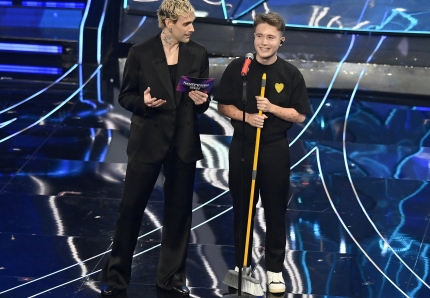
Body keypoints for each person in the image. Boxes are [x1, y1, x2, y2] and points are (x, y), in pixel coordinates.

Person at [99, 0, 210, 296]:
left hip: (183, 144)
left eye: (192, 22)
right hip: (148, 140)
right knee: (131, 209)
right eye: (186, 23)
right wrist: (143, 104)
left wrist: (203, 102)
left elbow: (200, 97)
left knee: (179, 214)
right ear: (167, 23)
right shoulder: (140, 53)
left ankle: (171, 280)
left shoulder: (197, 53)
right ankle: (116, 277)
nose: (192, 28)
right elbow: (126, 97)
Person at [214, 12, 311, 294]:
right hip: (243, 147)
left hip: (274, 149)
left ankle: (275, 271)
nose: (264, 42)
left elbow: (299, 115)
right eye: (259, 36)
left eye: (270, 37)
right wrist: (246, 117)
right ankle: (242, 267)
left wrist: (271, 109)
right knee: (242, 208)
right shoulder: (238, 69)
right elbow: (223, 105)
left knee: (275, 209)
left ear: (281, 40)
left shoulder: (290, 74)